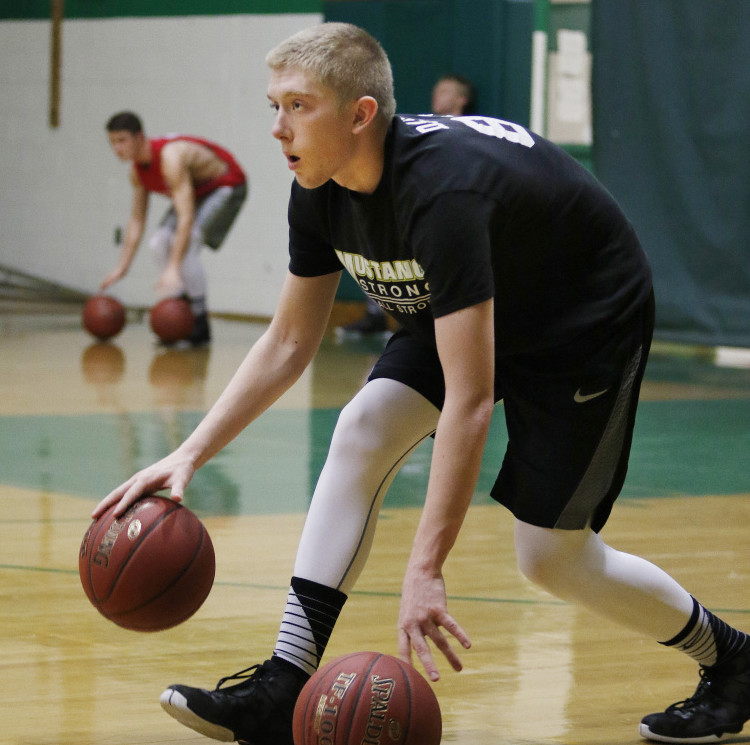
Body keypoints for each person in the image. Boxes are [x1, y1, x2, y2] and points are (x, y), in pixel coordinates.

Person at [94, 23, 750, 745]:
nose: (278, 128)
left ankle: (734, 659)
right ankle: (283, 682)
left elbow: (470, 402)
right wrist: (189, 452)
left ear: (360, 114)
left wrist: (426, 567)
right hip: (476, 295)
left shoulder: (442, 193)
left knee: (551, 558)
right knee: (363, 425)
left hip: (582, 316)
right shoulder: (316, 186)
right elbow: (287, 341)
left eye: (298, 106)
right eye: (272, 105)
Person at [335, 72, 476, 338]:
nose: (437, 94)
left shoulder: (471, 132)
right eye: (436, 89)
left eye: (445, 91)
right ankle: (377, 315)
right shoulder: (416, 127)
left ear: (462, 99)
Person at [103, 112, 248, 346]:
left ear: (139, 137)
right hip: (195, 191)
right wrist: (122, 267)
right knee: (159, 241)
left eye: (122, 140)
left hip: (225, 185)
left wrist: (172, 268)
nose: (117, 148)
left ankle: (199, 322)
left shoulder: (170, 158)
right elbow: (137, 220)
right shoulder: (136, 172)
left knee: (187, 243)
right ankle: (180, 311)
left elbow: (186, 216)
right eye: (112, 142)